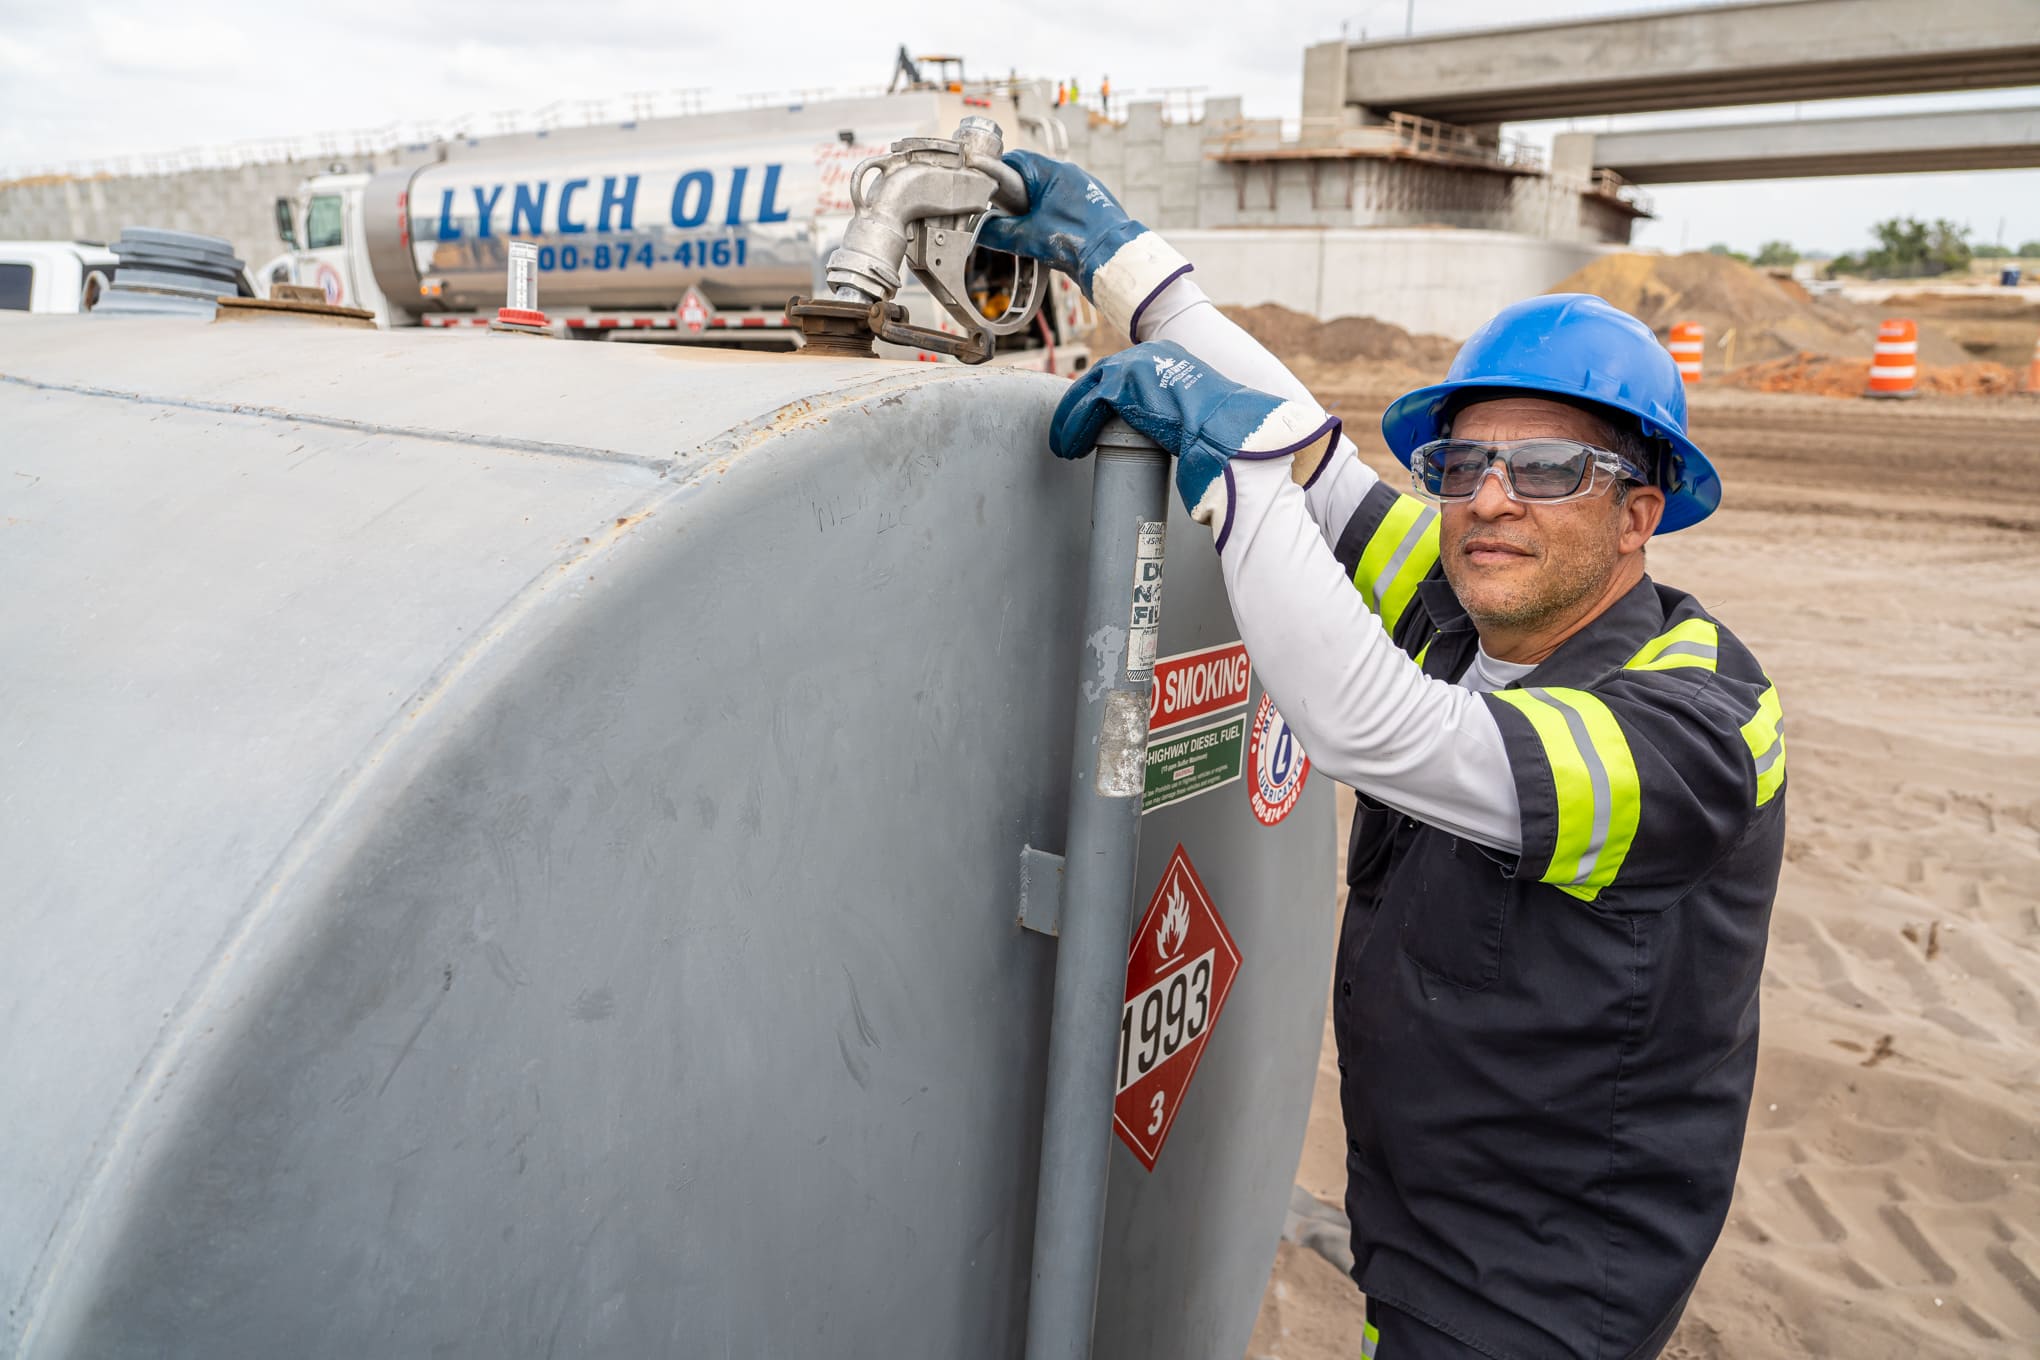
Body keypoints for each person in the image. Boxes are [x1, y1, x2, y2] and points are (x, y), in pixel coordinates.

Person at [982, 156, 1784, 1360]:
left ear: (1641, 511)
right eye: (1465, 465)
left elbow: (1383, 730)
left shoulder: (1699, 724)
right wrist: (1129, 267)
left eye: (1551, 468)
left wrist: (1232, 480)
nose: (1492, 500)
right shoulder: (1479, 607)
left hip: (1537, 1303)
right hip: (1423, 1247)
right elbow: (1315, 464)